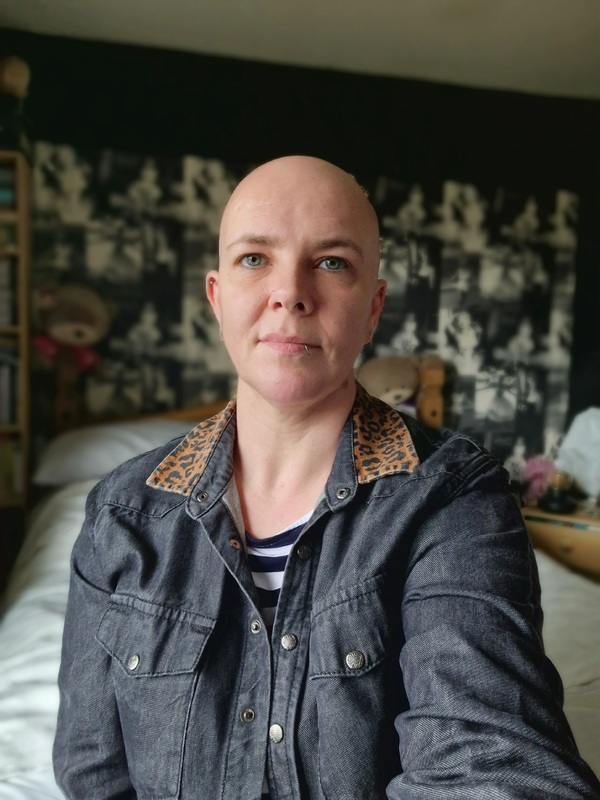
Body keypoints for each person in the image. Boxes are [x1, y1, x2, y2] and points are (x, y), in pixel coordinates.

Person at [53, 156, 600, 799]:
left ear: (372, 309)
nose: (290, 292)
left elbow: (491, 760)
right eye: (254, 258)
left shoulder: (452, 499)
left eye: (332, 262)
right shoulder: (122, 513)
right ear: (217, 297)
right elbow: (93, 773)